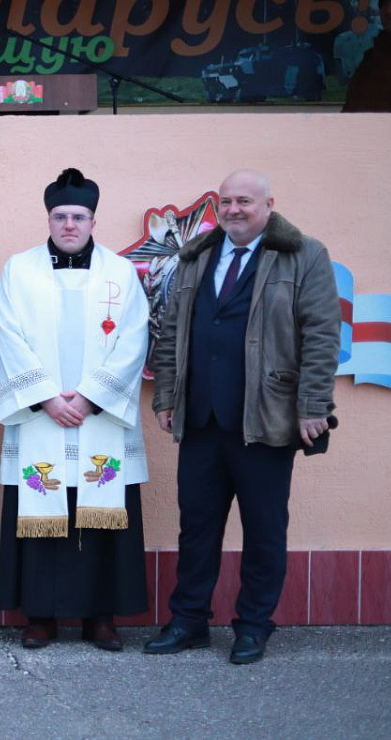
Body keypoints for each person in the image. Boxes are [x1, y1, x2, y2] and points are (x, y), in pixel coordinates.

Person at [145, 169, 340, 665]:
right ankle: (188, 620)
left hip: (266, 420)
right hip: (201, 420)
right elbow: (171, 331)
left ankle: (253, 625)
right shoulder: (197, 256)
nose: (233, 209)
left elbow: (322, 334)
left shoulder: (304, 255)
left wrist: (313, 406)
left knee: (264, 531)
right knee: (197, 529)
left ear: (268, 205)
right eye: (226, 201)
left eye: (245, 202)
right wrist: (165, 396)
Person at [0, 168, 151, 652]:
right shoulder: (20, 270)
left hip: (99, 417)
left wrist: (89, 398)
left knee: (101, 514)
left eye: (78, 217)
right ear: (48, 219)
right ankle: (40, 616)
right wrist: (45, 397)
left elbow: (134, 339)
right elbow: (7, 335)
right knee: (42, 510)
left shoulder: (119, 273)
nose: (68, 225)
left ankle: (100, 618)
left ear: (93, 221)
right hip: (41, 416)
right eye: (60, 216)